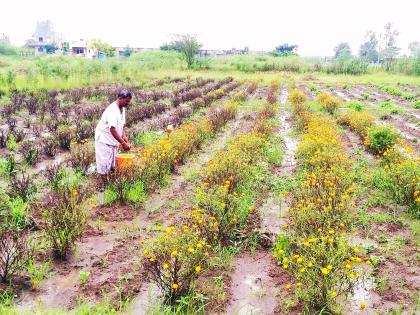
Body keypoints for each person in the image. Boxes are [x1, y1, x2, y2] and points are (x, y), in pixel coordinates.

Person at [95, 90, 132, 175]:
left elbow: (122, 124)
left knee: (112, 164)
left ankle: (111, 182)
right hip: (104, 140)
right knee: (104, 165)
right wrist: (123, 143)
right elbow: (113, 129)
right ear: (120, 98)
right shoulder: (112, 110)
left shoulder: (122, 108)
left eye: (129, 101)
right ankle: (104, 185)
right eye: (126, 101)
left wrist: (124, 135)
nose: (128, 103)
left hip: (112, 140)